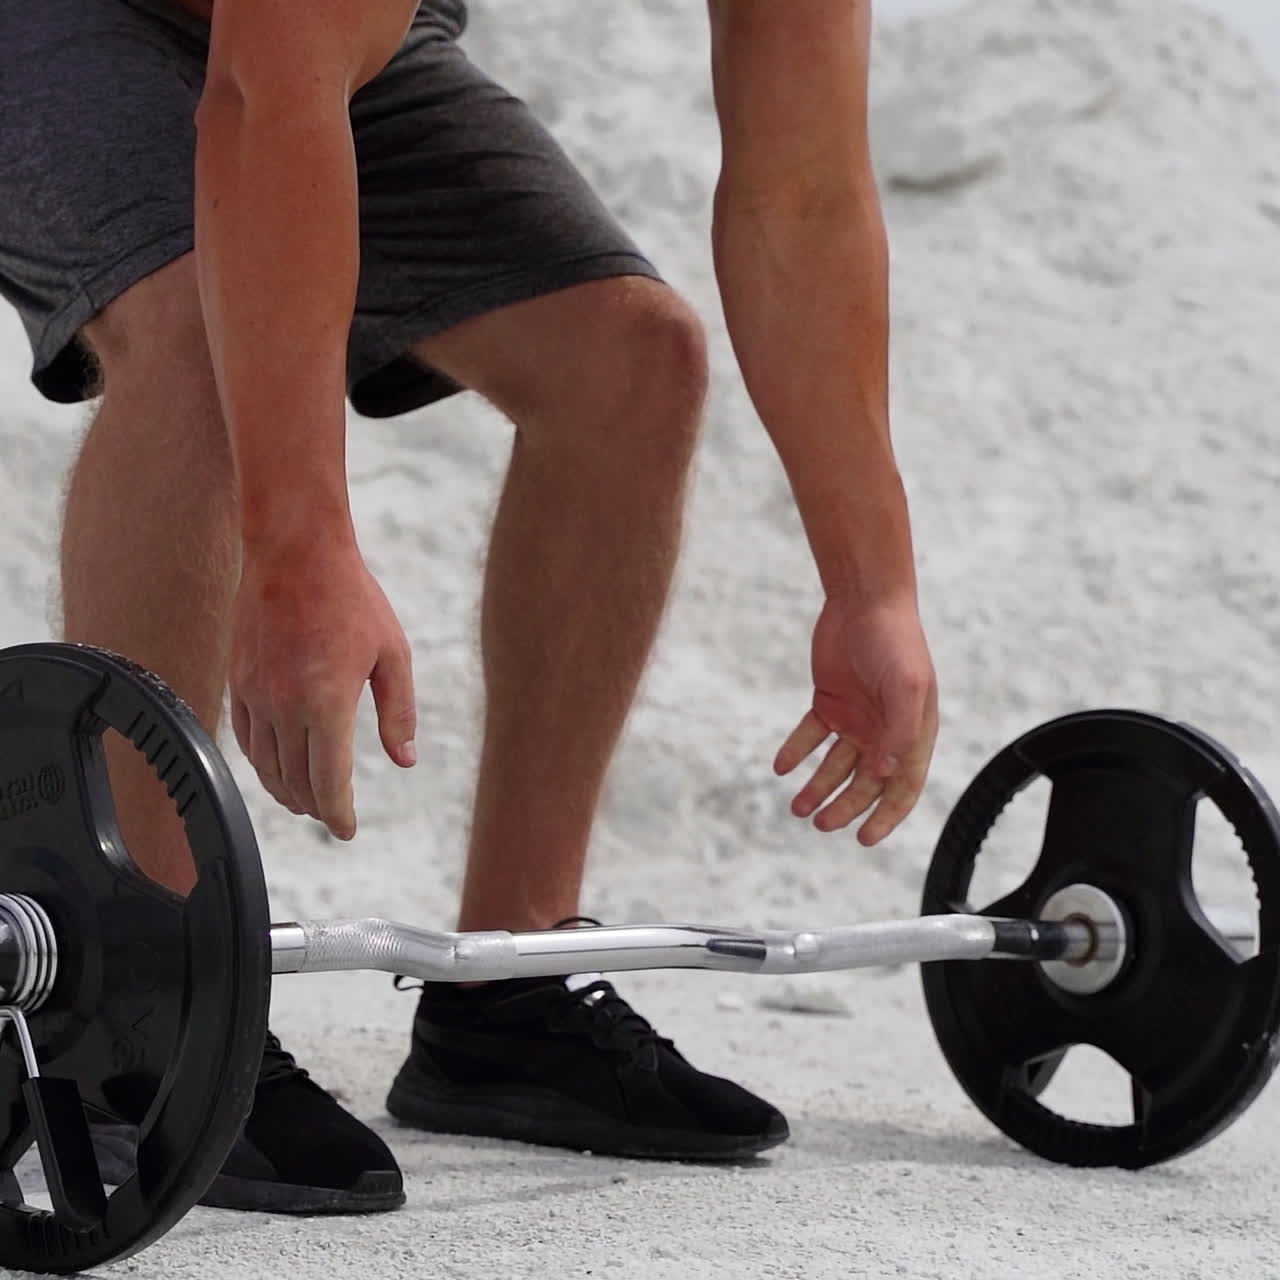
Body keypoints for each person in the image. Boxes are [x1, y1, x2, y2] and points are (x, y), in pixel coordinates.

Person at [0, 0, 938, 1216]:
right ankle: (142, 1010)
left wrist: (872, 582)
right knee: (192, 334)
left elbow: (801, 196)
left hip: (337, 40)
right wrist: (298, 549)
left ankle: (508, 998)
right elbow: (255, 100)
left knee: (629, 361)